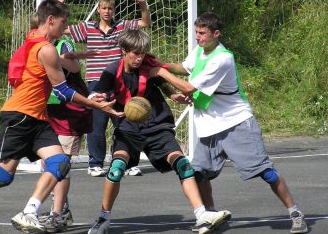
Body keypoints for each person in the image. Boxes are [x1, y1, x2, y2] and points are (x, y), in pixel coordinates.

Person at [0, 0, 123, 234]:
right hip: (19, 116)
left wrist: (79, 58)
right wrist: (93, 103)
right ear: (50, 20)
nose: (65, 27)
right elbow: (62, 90)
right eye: (63, 22)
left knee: (60, 163)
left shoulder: (34, 39)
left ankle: (29, 211)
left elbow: (56, 60)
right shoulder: (46, 48)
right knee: (1, 176)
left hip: (38, 118)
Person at [149, 12, 309, 234]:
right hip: (208, 126)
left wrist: (159, 72)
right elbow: (183, 68)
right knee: (199, 174)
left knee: (266, 172)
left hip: (236, 123)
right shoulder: (200, 50)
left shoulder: (222, 58)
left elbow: (188, 88)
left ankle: (295, 212)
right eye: (196, 32)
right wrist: (160, 63)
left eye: (202, 33)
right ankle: (211, 215)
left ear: (216, 34)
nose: (198, 37)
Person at [86, 29, 231, 234]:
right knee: (117, 168)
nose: (139, 58)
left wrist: (173, 95)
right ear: (124, 51)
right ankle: (103, 218)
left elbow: (164, 86)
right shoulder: (111, 70)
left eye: (143, 53)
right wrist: (97, 100)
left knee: (183, 164)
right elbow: (95, 93)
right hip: (127, 129)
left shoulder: (150, 68)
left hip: (157, 126)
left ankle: (202, 216)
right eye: (135, 53)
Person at [63, 0, 150, 177]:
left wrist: (142, 3)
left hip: (119, 80)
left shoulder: (121, 26)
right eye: (103, 8)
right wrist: (60, 7)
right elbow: (63, 29)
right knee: (97, 125)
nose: (107, 11)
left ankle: (128, 162)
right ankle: (95, 163)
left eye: (110, 8)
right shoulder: (87, 28)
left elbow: (144, 23)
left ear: (114, 10)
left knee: (125, 122)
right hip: (95, 82)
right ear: (98, 10)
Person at [39, 35, 94, 233]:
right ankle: (62, 209)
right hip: (48, 110)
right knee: (48, 163)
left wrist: (54, 56)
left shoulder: (63, 44)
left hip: (69, 111)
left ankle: (57, 214)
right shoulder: (38, 46)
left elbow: (75, 68)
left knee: (60, 164)